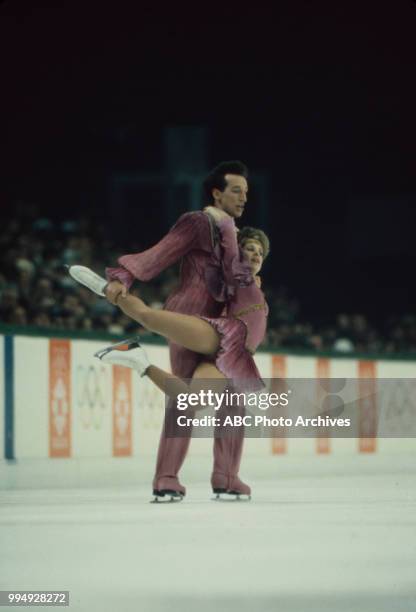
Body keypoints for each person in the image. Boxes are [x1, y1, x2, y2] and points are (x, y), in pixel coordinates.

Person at [69, 161, 250, 499]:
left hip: (219, 324)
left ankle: (217, 477)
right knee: (187, 399)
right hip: (190, 316)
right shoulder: (199, 222)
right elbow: (160, 253)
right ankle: (170, 478)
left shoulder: (230, 232)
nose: (243, 198)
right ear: (216, 192)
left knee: (224, 396)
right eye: (236, 190)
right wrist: (123, 275)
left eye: (246, 192)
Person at [96, 221, 269, 500]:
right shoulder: (236, 271)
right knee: (151, 318)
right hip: (224, 338)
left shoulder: (250, 281)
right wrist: (226, 227)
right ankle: (111, 291)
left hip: (233, 356)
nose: (256, 255)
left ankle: (225, 477)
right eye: (250, 249)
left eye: (260, 253)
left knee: (205, 402)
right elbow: (228, 254)